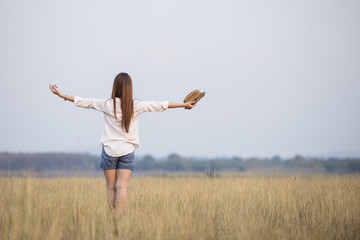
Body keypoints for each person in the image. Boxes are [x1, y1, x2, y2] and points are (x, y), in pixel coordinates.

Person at [49, 72, 196, 213]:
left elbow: (84, 101)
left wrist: (62, 95)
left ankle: (113, 219)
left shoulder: (106, 104)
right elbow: (161, 105)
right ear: (130, 88)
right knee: (122, 187)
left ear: (115, 87)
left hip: (109, 151)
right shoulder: (136, 105)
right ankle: (120, 219)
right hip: (127, 151)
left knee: (111, 188)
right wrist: (184, 105)